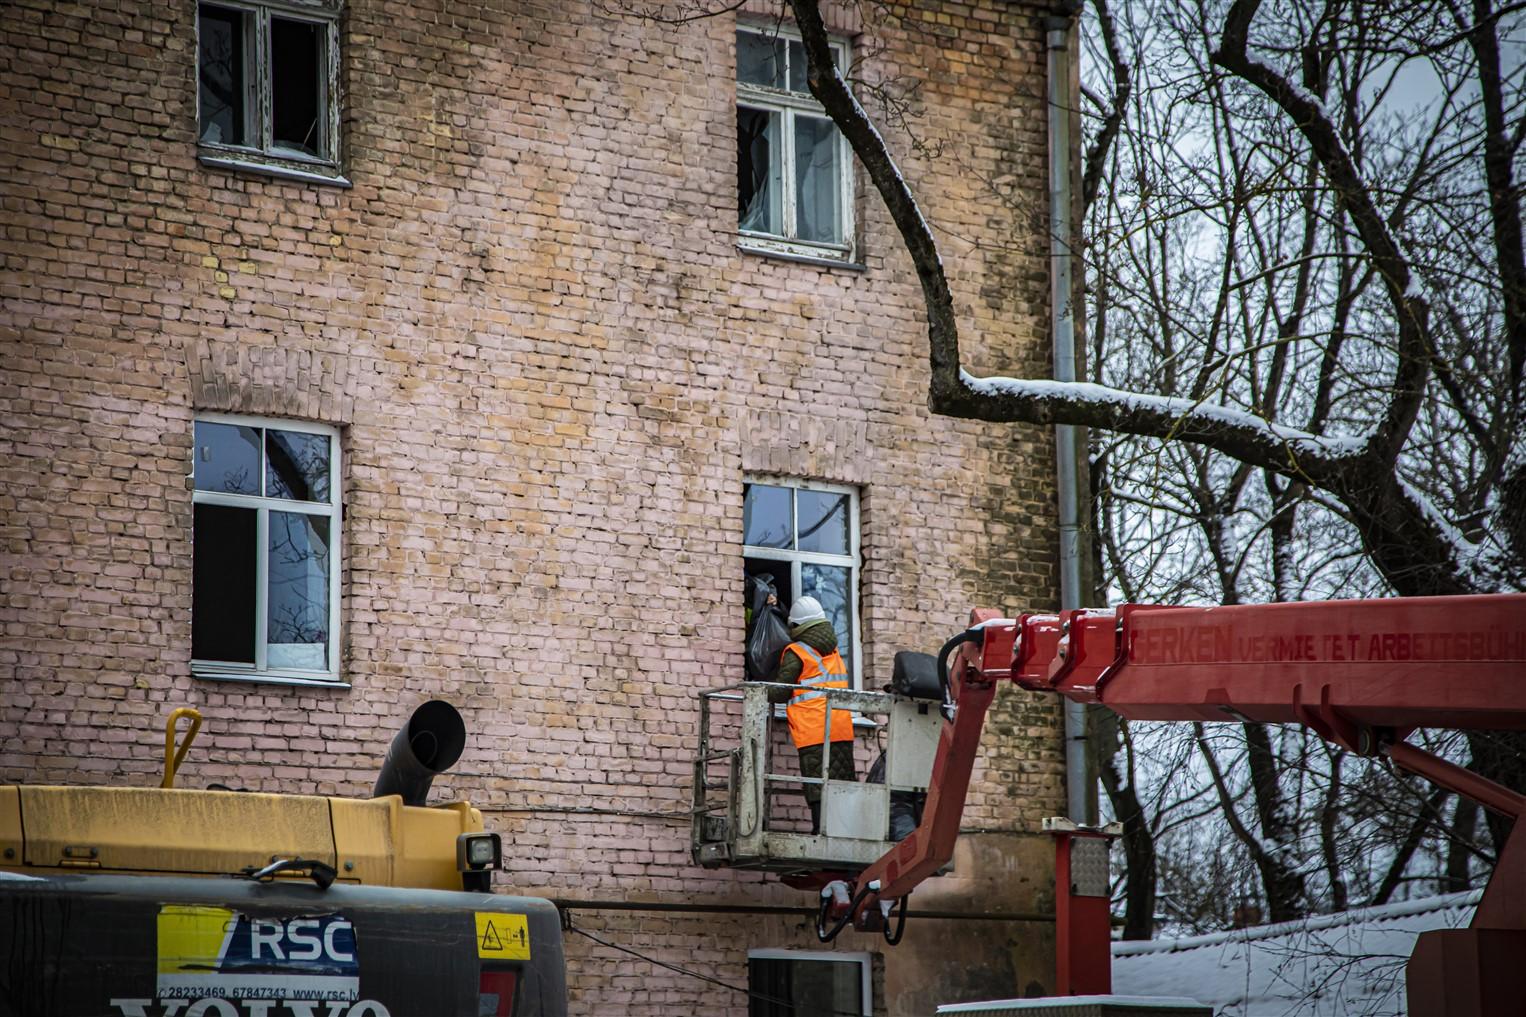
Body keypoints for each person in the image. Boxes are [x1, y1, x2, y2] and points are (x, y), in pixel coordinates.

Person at [772, 595, 856, 833]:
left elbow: (780, 692)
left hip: (813, 730)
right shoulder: (834, 651)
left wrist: (760, 691)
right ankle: (844, 831)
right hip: (840, 725)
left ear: (796, 626)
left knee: (817, 784)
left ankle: (822, 831)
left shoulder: (797, 652)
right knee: (841, 782)